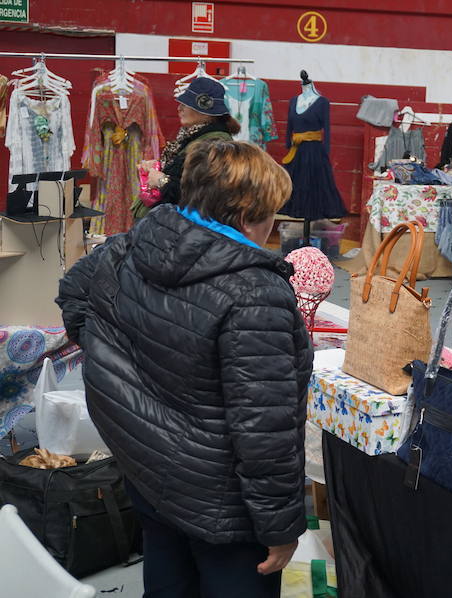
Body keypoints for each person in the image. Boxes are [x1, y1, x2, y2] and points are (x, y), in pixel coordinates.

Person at [58, 139, 312, 597]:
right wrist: (279, 525)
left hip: (151, 472)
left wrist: (118, 376)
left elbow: (75, 295)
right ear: (248, 213)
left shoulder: (135, 242)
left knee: (167, 582)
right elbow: (264, 429)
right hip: (222, 506)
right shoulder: (255, 292)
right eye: (273, 210)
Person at [133, 77, 239, 219]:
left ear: (205, 111)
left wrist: (161, 180)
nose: (179, 108)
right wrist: (158, 167)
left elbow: (201, 195)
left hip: (184, 230)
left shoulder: (214, 145)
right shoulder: (195, 137)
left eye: (186, 104)